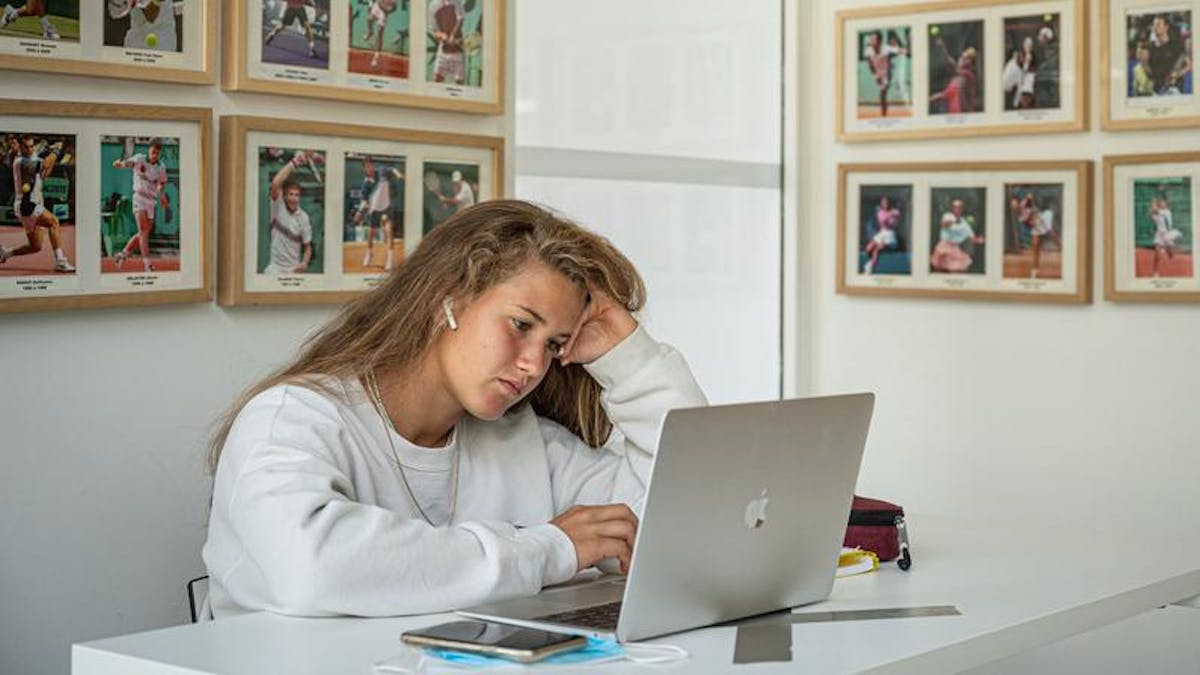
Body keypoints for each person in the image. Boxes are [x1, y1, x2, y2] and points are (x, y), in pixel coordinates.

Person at [202, 199, 707, 617]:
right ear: (450, 298)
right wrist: (549, 548)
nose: (534, 365)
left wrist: (631, 361)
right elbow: (309, 569)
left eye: (554, 344)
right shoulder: (291, 419)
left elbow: (681, 532)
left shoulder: (524, 441)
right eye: (520, 325)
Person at [0, 134, 75, 272]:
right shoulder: (22, 162)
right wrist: (56, 149)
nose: (29, 149)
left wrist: (52, 152)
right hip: (28, 205)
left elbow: (46, 171)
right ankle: (60, 261)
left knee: (35, 247)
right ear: (20, 147)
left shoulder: (32, 157)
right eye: (26, 147)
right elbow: (47, 163)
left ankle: (5, 253)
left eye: (31, 146)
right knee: (54, 222)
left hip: (27, 206)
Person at [111, 138, 170, 272]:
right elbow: (128, 163)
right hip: (139, 198)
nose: (155, 155)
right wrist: (120, 164)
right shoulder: (139, 159)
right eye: (153, 152)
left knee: (142, 233)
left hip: (151, 201)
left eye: (157, 153)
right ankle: (147, 264)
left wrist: (162, 195)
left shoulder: (161, 167)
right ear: (149, 150)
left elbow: (161, 183)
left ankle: (123, 254)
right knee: (144, 232)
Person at [263, 150, 315, 274]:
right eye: (290, 194)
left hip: (293, 270)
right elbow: (276, 183)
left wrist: (304, 263)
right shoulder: (277, 206)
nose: (294, 198)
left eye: (297, 195)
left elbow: (307, 247)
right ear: (284, 197)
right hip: (274, 269)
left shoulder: (304, 217)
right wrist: (295, 162)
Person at [356, 156, 403, 271]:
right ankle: (369, 252)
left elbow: (392, 169)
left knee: (389, 231)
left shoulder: (382, 171)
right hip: (374, 209)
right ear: (364, 169)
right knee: (371, 234)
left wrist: (398, 174)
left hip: (387, 207)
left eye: (371, 165)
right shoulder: (366, 184)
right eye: (367, 166)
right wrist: (359, 211)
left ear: (373, 165)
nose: (370, 168)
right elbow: (364, 200)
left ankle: (389, 259)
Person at [1012, 192, 1061, 279]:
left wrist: (1028, 199)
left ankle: (1065, 250)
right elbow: (1030, 223)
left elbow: (1030, 196)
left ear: (1016, 201)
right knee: (1035, 246)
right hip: (1037, 224)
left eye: (1013, 203)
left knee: (1053, 236)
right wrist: (1031, 221)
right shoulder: (1020, 215)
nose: (1012, 205)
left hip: (1042, 217)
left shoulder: (1023, 203)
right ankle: (1035, 270)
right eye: (1012, 204)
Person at [930, 199, 984, 273]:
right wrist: (954, 220)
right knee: (938, 270)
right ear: (952, 208)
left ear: (962, 209)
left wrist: (979, 240)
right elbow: (944, 224)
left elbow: (972, 238)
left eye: (959, 207)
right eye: (955, 207)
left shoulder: (965, 224)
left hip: (955, 249)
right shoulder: (947, 216)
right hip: (943, 247)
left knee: (959, 270)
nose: (957, 209)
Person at [863, 30, 907, 117]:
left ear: (879, 41)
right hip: (878, 72)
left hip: (887, 72)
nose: (871, 41)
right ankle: (884, 113)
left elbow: (901, 51)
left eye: (873, 39)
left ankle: (883, 115)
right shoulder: (868, 50)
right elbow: (870, 65)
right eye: (871, 39)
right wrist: (876, 75)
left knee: (883, 93)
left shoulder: (886, 48)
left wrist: (904, 50)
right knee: (882, 94)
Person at [929, 38, 978, 114]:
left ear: (969, 62)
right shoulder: (957, 78)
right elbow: (945, 93)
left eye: (965, 58)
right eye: (962, 57)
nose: (961, 60)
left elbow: (952, 65)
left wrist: (942, 48)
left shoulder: (968, 75)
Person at [429, 0, 465, 84]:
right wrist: (442, 36)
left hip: (457, 52)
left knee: (460, 84)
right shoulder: (433, 5)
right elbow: (435, 31)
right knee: (436, 80)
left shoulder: (457, 2)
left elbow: (460, 20)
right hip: (442, 52)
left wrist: (452, 35)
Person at [862, 195, 900, 274]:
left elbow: (893, 224)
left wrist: (892, 216)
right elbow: (883, 223)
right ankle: (870, 261)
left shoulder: (894, 212)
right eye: (884, 202)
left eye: (887, 202)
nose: (885, 203)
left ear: (889, 203)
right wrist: (890, 215)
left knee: (877, 249)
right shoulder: (880, 213)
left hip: (890, 235)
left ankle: (870, 266)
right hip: (882, 234)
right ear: (881, 203)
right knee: (868, 248)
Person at [1149, 196, 1183, 278]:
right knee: (1157, 253)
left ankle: (1168, 250)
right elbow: (1152, 217)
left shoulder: (1167, 212)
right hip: (1159, 235)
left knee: (1170, 254)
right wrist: (1151, 212)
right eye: (1161, 202)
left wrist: (1153, 202)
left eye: (1163, 202)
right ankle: (1155, 272)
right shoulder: (1159, 213)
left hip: (1167, 235)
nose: (1161, 203)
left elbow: (1155, 210)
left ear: (1167, 205)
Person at [362, 0, 397, 69]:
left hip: (383, 14)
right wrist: (373, 4)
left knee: (380, 34)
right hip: (376, 7)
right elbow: (379, 3)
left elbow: (394, 8)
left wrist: (389, 10)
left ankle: (375, 58)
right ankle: (370, 32)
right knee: (369, 19)